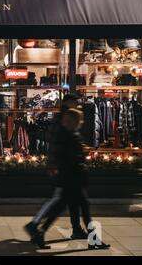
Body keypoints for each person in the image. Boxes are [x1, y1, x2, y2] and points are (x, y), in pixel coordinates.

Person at [29, 109, 110, 250]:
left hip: (69, 179)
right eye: (79, 120)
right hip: (73, 179)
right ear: (73, 122)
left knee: (62, 209)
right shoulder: (70, 136)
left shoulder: (66, 135)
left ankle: (40, 233)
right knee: (83, 209)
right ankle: (93, 240)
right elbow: (72, 159)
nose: (82, 122)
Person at [24, 94, 87, 248]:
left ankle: (76, 228)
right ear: (68, 103)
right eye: (75, 102)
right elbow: (56, 144)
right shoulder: (64, 119)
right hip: (62, 169)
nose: (78, 105)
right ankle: (35, 225)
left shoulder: (64, 117)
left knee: (68, 201)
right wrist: (54, 165)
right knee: (57, 201)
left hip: (63, 168)